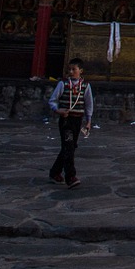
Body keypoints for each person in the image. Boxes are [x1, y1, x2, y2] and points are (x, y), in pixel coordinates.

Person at [47, 57, 93, 188]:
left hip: (77, 120)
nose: (71, 72)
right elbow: (53, 100)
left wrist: (89, 121)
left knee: (69, 147)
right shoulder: (63, 84)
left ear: (81, 71)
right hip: (66, 120)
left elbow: (89, 104)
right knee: (69, 146)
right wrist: (58, 110)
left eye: (74, 69)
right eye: (70, 69)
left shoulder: (85, 86)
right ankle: (70, 176)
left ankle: (55, 172)